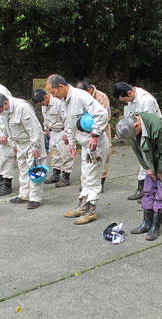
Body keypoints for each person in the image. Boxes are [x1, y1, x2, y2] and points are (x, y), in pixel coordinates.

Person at [46, 74, 109, 224]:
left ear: (60, 87)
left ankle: (91, 209)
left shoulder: (80, 96)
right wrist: (71, 144)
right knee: (85, 175)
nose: (52, 96)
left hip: (96, 144)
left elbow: (102, 114)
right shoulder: (63, 102)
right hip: (85, 144)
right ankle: (82, 205)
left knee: (93, 177)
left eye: (53, 92)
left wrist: (95, 135)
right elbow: (69, 124)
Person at [116, 113, 162, 240]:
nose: (132, 138)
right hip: (152, 161)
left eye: (133, 135)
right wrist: (147, 167)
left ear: (136, 125)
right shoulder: (130, 129)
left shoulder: (157, 127)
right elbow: (138, 152)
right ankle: (146, 223)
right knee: (148, 191)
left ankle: (155, 227)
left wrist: (161, 171)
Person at [0, 93, 46, 209]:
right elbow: (6, 128)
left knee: (34, 170)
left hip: (31, 141)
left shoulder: (22, 107)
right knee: (23, 169)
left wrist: (35, 147)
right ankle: (24, 195)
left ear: (5, 103)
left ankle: (35, 198)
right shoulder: (4, 112)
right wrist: (13, 144)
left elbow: (33, 129)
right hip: (19, 143)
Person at [113, 82, 162, 201]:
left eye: (125, 98)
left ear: (129, 92)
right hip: (138, 134)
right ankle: (143, 190)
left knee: (152, 164)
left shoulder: (146, 101)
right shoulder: (131, 100)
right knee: (143, 163)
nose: (125, 102)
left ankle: (152, 194)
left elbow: (150, 124)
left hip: (151, 135)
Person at [31, 89, 74, 187]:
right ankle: (56, 175)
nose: (41, 105)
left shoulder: (58, 103)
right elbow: (45, 118)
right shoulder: (44, 105)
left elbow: (67, 119)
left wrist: (67, 134)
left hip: (62, 130)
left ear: (46, 97)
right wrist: (46, 128)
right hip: (53, 131)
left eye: (41, 102)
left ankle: (66, 177)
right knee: (54, 153)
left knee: (65, 154)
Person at [76, 81, 112, 192]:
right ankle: (86, 181)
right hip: (85, 130)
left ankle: (101, 180)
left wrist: (94, 126)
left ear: (89, 90)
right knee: (86, 157)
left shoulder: (101, 97)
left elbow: (107, 116)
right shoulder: (79, 97)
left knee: (103, 156)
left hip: (101, 130)